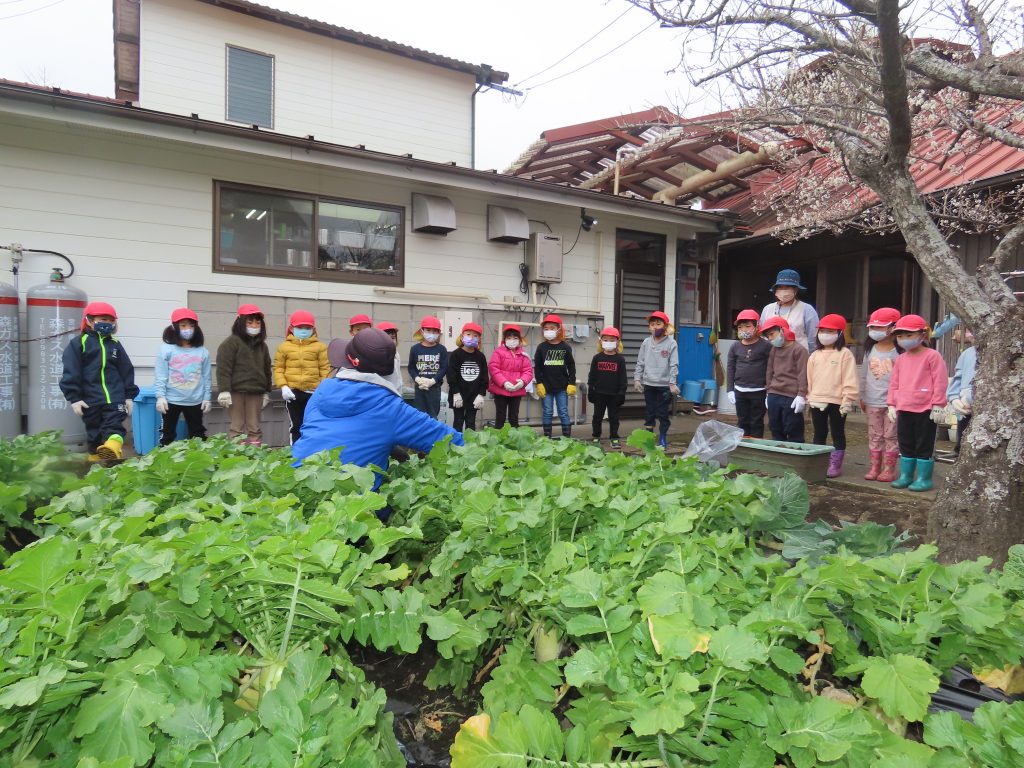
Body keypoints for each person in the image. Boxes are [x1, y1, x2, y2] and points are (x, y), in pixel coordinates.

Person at [291, 328, 464, 521]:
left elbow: (341, 435)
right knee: (394, 511)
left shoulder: (321, 391)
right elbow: (452, 441)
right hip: (350, 512)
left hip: (299, 494)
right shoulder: (390, 407)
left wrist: (393, 448)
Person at [60, 301, 139, 463]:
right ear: (89, 320)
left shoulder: (115, 345)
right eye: (103, 319)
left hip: (115, 398)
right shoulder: (79, 344)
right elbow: (71, 371)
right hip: (91, 399)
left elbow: (126, 370)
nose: (108, 324)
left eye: (111, 321)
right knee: (93, 432)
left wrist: (129, 396)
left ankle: (112, 450)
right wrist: (74, 398)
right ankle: (95, 461)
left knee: (114, 426)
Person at [887, 314, 949, 492]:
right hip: (904, 407)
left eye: (909, 335)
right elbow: (894, 383)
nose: (904, 339)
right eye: (900, 336)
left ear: (922, 335)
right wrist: (891, 404)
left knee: (924, 443)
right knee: (905, 442)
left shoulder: (933, 356)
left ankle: (924, 478)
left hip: (925, 408)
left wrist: (938, 404)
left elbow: (940, 381)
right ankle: (906, 476)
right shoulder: (900, 359)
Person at [806, 313, 859, 478]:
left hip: (837, 401)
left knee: (837, 432)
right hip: (817, 400)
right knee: (819, 432)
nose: (824, 335)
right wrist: (810, 398)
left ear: (840, 334)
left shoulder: (845, 354)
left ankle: (835, 465)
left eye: (830, 331)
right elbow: (810, 379)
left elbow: (850, 377)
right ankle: (819, 462)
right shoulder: (814, 355)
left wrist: (848, 399)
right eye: (822, 331)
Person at [216, 304, 272, 446]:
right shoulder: (230, 343)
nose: (254, 325)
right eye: (250, 322)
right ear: (240, 322)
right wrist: (224, 390)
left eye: (257, 322)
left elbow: (267, 369)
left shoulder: (262, 346)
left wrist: (266, 391)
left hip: (256, 392)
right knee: (237, 427)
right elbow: (223, 368)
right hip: (236, 392)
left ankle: (255, 456)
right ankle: (236, 457)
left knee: (254, 427)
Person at [154, 307, 211, 446]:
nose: (188, 329)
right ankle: (164, 463)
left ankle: (199, 461)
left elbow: (206, 376)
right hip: (171, 400)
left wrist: (207, 398)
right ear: (174, 327)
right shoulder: (166, 349)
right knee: (167, 434)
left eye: (191, 326)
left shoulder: (203, 352)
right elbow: (161, 375)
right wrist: (160, 397)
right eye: (183, 325)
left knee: (198, 433)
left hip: (195, 400)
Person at [274, 310, 330, 444]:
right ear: (292, 328)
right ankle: (296, 451)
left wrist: (323, 388)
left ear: (313, 329)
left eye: (307, 328)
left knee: (312, 423)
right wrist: (283, 386)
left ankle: (311, 451)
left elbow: (325, 369)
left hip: (313, 392)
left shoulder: (320, 347)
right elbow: (278, 368)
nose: (303, 330)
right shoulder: (284, 347)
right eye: (300, 327)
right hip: (292, 393)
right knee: (296, 424)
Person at [860, 307, 901, 482]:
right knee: (875, 435)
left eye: (879, 328)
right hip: (872, 400)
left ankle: (889, 468)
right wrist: (862, 396)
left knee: (891, 435)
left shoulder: (899, 352)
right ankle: (875, 467)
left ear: (893, 328)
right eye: (872, 328)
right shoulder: (870, 350)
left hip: (893, 403)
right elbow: (864, 374)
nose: (875, 332)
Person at [633, 310, 679, 449]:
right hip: (649, 383)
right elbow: (640, 361)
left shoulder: (671, 343)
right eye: (652, 324)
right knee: (649, 412)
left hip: (664, 385)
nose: (655, 327)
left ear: (665, 326)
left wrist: (672, 382)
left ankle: (663, 437)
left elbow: (674, 364)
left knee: (662, 412)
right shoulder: (646, 342)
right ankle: (649, 438)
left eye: (658, 324)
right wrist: (637, 379)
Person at [760, 316, 808, 443]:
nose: (770, 338)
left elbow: (803, 373)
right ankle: (779, 457)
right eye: (768, 336)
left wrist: (801, 395)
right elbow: (769, 371)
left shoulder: (799, 350)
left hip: (791, 396)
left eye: (772, 334)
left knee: (793, 428)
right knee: (775, 427)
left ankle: (796, 457)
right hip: (774, 394)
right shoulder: (774, 350)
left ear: (782, 330)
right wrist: (768, 392)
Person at [726, 309, 771, 438]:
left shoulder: (766, 346)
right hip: (740, 390)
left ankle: (756, 448)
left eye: (748, 326)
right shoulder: (735, 346)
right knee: (742, 421)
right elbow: (730, 368)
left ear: (757, 326)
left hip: (759, 390)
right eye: (740, 327)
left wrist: (769, 391)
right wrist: (730, 389)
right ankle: (744, 448)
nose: (744, 329)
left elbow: (770, 368)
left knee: (756, 421)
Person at [534, 313, 577, 439]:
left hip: (562, 387)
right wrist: (539, 383)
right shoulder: (541, 347)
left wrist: (571, 383)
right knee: (547, 412)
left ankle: (566, 438)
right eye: (546, 329)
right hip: (546, 387)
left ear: (559, 330)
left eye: (552, 328)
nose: (548, 331)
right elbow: (537, 367)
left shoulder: (565, 347)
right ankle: (547, 438)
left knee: (563, 412)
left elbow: (571, 366)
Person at [760, 268, 820, 351]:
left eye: (787, 287)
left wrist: (811, 358)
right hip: (771, 356)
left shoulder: (806, 309)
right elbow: (762, 336)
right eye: (780, 287)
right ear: (776, 290)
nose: (783, 290)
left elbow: (813, 339)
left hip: (798, 357)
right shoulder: (767, 309)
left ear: (796, 290)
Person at [588, 326, 627, 448]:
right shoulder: (597, 358)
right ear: (601, 341)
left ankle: (614, 437)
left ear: (617, 342)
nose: (608, 343)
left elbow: (623, 378)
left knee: (614, 418)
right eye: (605, 340)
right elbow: (592, 376)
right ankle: (596, 436)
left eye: (612, 340)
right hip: (599, 393)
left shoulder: (620, 359)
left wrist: (621, 392)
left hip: (614, 395)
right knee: (597, 417)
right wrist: (591, 390)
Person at [488, 324, 532, 428]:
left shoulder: (523, 354)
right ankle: (498, 440)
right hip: (500, 390)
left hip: (517, 391)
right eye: (509, 338)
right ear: (505, 339)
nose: (512, 340)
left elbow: (528, 371)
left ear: (519, 340)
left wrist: (522, 382)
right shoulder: (498, 352)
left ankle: (515, 440)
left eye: (515, 338)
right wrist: (504, 382)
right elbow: (493, 368)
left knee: (514, 417)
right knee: (500, 417)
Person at [447, 321, 489, 431]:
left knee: (470, 422)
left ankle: (470, 446)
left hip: (474, 396)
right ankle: (456, 445)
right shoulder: (455, 355)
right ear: (462, 336)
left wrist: (481, 394)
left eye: (475, 335)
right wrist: (455, 393)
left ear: (479, 339)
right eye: (468, 334)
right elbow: (451, 375)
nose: (471, 337)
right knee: (458, 421)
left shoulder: (480, 357)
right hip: (458, 395)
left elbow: (484, 377)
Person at [408, 315, 448, 419]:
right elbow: (411, 367)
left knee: (433, 416)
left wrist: (433, 381)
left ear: (439, 333)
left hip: (434, 388)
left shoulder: (441, 349)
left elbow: (444, 368)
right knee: (419, 417)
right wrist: (417, 379)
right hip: (420, 388)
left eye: (435, 331)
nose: (431, 333)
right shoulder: (415, 349)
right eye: (428, 330)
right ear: (422, 331)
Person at [946, 327, 977, 456]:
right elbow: (958, 377)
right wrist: (953, 398)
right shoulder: (968, 353)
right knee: (963, 430)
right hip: (965, 402)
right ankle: (959, 450)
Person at [376, 321, 404, 393]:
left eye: (393, 338)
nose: (390, 341)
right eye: (386, 338)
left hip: (397, 391)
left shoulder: (396, 354)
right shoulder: (377, 356)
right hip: (385, 393)